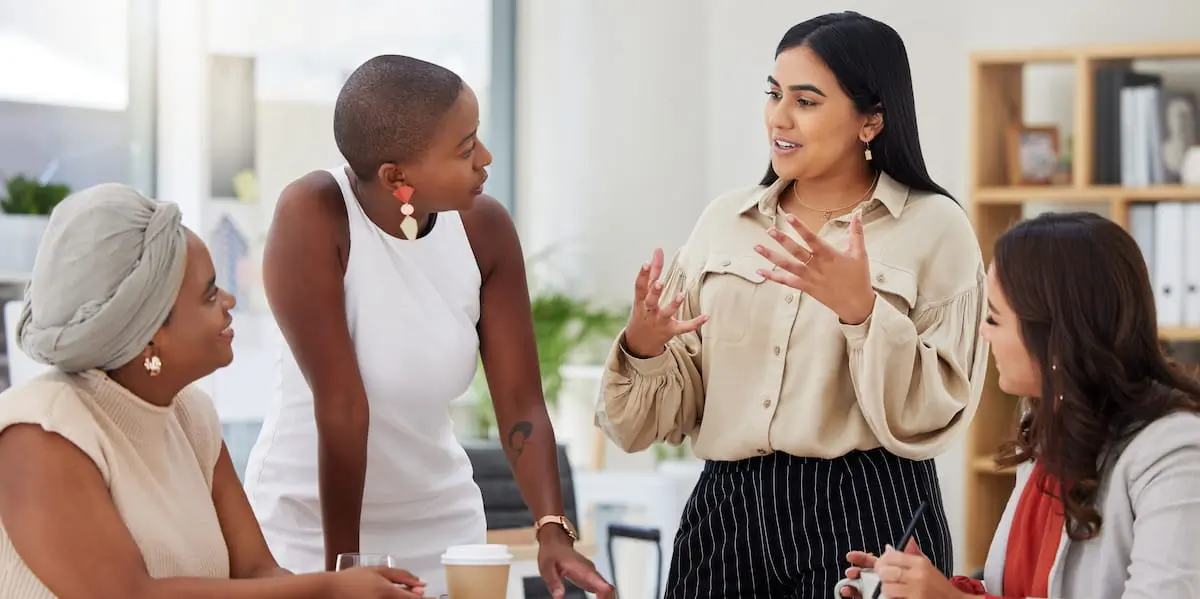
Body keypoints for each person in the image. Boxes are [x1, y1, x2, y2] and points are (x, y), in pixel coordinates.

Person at [595, 11, 989, 598]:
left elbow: (937, 411)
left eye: (806, 101)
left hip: (868, 511)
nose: (779, 117)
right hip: (726, 512)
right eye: (774, 94)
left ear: (871, 119)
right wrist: (646, 347)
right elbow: (662, 417)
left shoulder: (935, 227)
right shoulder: (725, 223)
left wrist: (863, 314)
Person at [242, 55, 612, 599]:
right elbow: (342, 406)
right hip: (308, 530)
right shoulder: (315, 213)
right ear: (398, 177)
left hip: (442, 530)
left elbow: (519, 400)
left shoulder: (485, 229)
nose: (485, 159)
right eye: (465, 149)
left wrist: (552, 531)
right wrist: (343, 572)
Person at [0, 183, 424, 598]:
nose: (230, 300)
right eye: (208, 295)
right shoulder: (40, 434)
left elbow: (257, 573)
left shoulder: (191, 416)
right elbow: (129, 595)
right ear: (148, 335)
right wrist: (330, 589)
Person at [844, 211, 1200, 598]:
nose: (982, 332)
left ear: (1054, 336)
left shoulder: (1174, 451)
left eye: (994, 319)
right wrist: (920, 588)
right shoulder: (1051, 425)